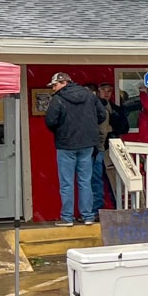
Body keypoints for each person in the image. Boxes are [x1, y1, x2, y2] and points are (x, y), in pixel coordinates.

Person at [44, 72, 106, 226]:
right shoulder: (89, 96)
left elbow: (50, 121)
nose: (53, 88)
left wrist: (62, 130)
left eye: (55, 85)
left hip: (66, 145)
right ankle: (88, 216)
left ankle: (67, 217)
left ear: (63, 82)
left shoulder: (58, 99)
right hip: (87, 144)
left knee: (67, 183)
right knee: (85, 181)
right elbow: (102, 115)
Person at [97, 82, 129, 214]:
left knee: (114, 179)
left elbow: (124, 128)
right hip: (97, 148)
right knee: (96, 179)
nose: (106, 93)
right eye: (103, 90)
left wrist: (112, 120)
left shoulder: (116, 108)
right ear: (98, 92)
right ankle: (96, 210)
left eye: (109, 91)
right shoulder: (92, 107)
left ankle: (118, 207)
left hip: (113, 146)